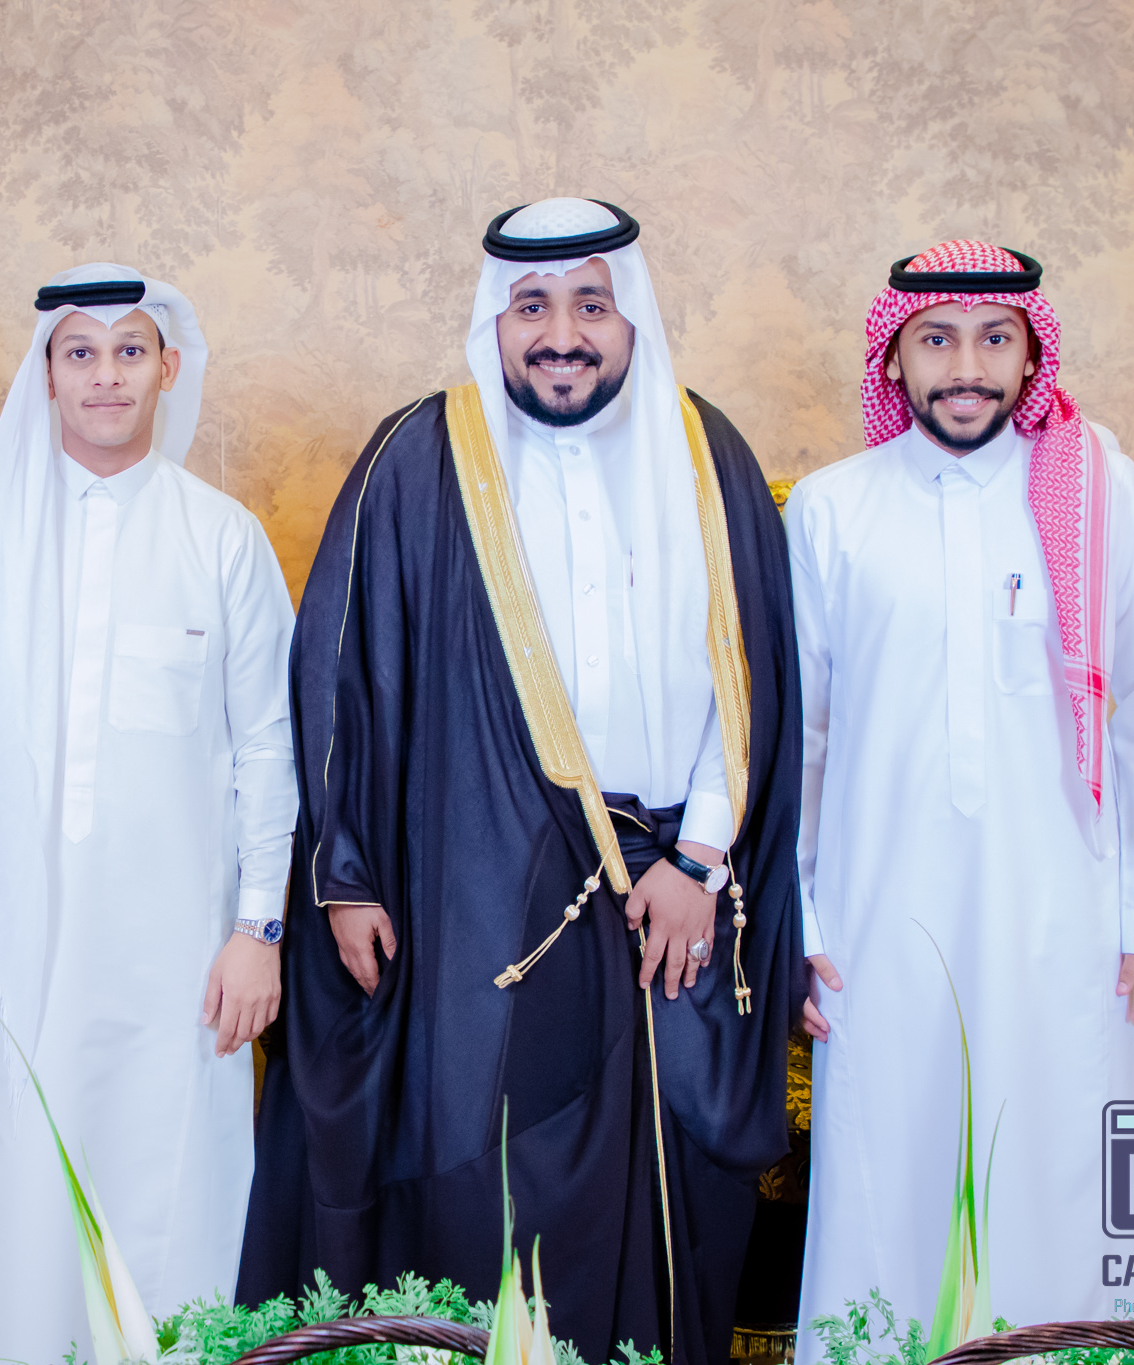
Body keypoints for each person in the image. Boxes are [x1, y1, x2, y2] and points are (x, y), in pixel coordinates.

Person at [237, 199, 803, 1365]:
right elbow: (338, 673)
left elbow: (755, 678)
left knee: (678, 1184)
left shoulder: (707, 457)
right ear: (492, 323)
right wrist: (346, 877)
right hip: (484, 890)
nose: (561, 336)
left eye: (590, 305)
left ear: (630, 316)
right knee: (494, 1178)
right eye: (531, 307)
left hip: (681, 890)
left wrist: (699, 861)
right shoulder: (418, 458)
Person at [788, 240, 1134, 1345]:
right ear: (895, 356)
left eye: (993, 339)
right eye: (936, 340)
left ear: (1031, 355)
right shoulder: (831, 509)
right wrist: (796, 924)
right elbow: (801, 738)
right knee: (890, 1174)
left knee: (1070, 1161)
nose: (965, 367)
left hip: (1068, 915)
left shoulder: (1097, 491)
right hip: (879, 920)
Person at [0, 266, 298, 1365]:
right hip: (17, 949)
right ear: (45, 374)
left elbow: (269, 746)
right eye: (80, 351)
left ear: (167, 368)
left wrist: (258, 929)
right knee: (12, 1182)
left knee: (169, 1197)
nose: (107, 375)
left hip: (181, 959)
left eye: (130, 350)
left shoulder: (221, 538)